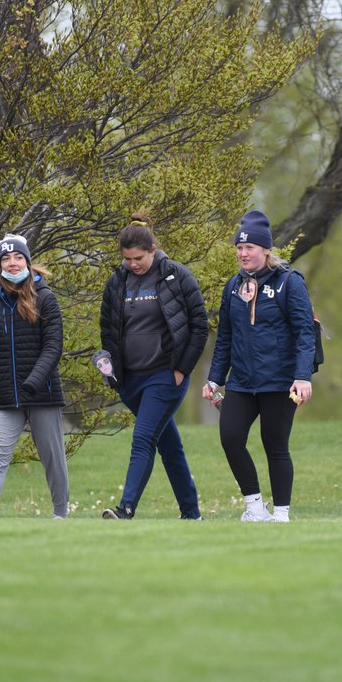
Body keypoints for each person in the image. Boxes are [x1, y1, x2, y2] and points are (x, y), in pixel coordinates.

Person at [202, 210, 315, 523]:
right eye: (239, 248)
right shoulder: (232, 287)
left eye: (249, 248)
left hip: (280, 382)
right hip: (241, 381)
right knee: (231, 438)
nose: (242, 253)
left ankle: (281, 514)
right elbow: (224, 338)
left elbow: (305, 333)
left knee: (275, 445)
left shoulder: (289, 283)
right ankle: (255, 507)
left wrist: (302, 377)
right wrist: (214, 380)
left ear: (266, 249)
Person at [98, 214, 208, 520]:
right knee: (169, 445)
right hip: (130, 380)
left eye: (139, 258)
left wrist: (181, 369)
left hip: (165, 376)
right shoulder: (117, 280)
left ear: (153, 249)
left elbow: (199, 325)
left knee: (143, 438)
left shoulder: (177, 276)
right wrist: (110, 366)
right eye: (127, 258)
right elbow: (108, 327)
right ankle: (192, 513)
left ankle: (126, 508)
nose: (133, 264)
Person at [0, 234, 69, 519]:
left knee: (53, 458)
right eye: (6, 259)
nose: (13, 263)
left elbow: (53, 346)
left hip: (42, 395)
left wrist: (34, 379)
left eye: (18, 257)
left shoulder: (46, 299)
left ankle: (60, 514)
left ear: (28, 262)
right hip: (7, 398)